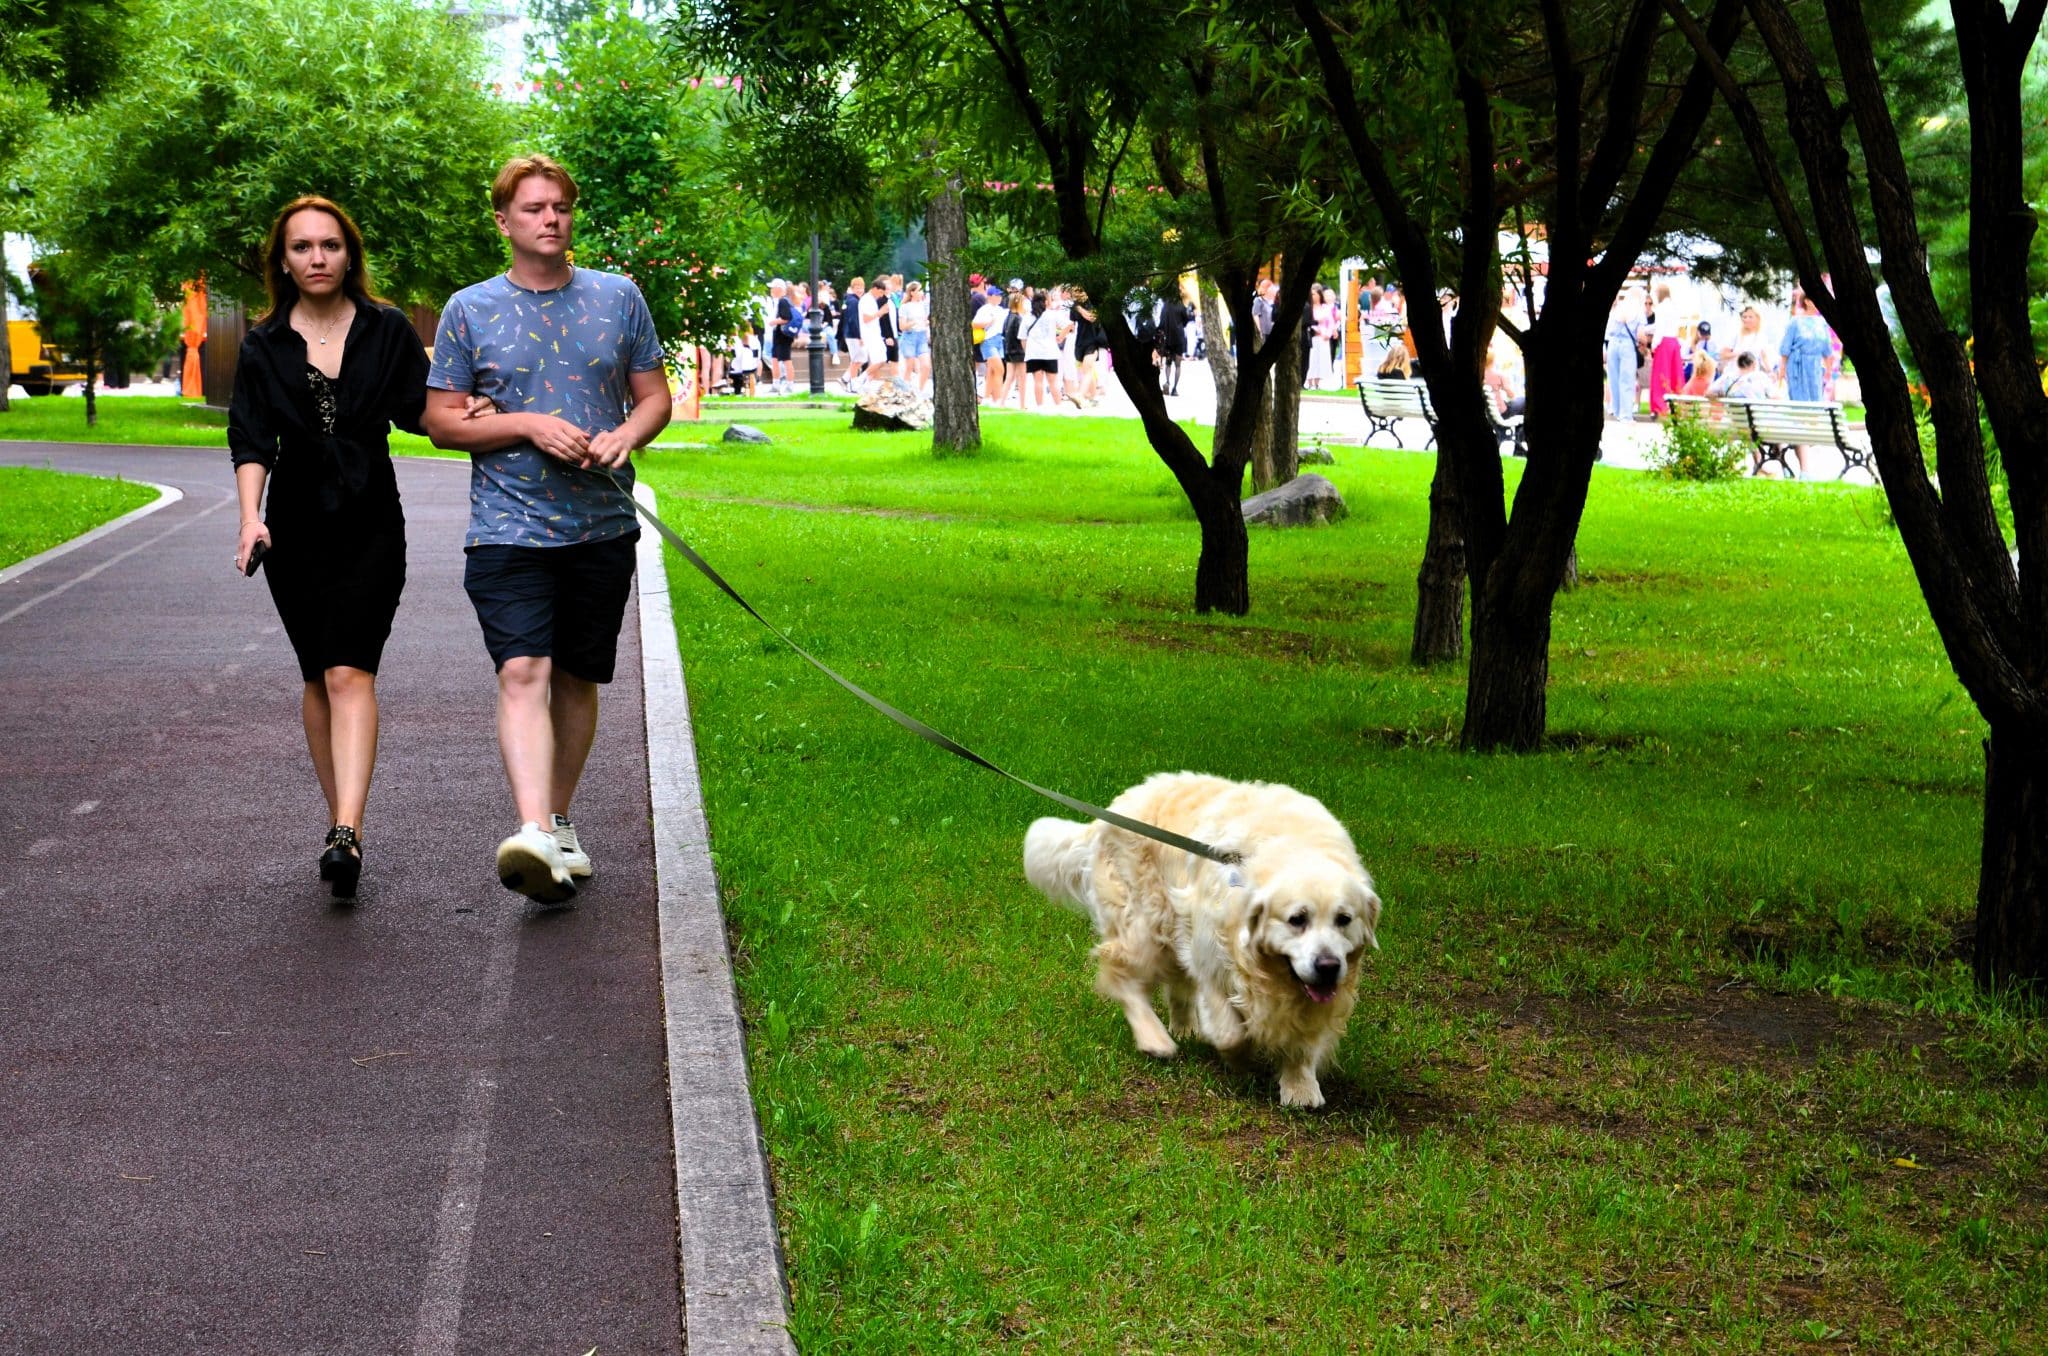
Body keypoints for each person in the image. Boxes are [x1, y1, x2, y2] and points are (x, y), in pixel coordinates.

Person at [420, 154, 673, 904]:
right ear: (504, 221)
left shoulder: (619, 298)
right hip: (507, 529)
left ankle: (559, 822)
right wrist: (527, 424)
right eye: (533, 209)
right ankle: (533, 830)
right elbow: (438, 421)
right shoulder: (470, 309)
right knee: (522, 670)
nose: (550, 219)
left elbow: (654, 396)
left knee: (576, 677)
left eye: (560, 207)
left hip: (600, 525)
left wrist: (629, 436)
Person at [228, 195, 429, 899]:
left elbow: (418, 410)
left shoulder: (388, 329)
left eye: (330, 246)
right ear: (281, 260)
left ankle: (347, 829)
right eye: (303, 247)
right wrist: (250, 518)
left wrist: (482, 409)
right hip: (297, 525)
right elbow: (252, 439)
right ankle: (339, 821)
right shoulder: (262, 344)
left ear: (351, 254)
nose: (317, 258)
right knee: (317, 675)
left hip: (372, 518)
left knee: (351, 672)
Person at [1604, 291, 1644, 419]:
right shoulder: (1639, 311)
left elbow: (1609, 330)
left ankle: (1616, 410)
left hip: (1613, 344)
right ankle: (1626, 415)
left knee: (1613, 379)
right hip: (1628, 345)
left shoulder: (1618, 309)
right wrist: (1644, 343)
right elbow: (1640, 335)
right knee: (1627, 380)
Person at [972, 285, 1008, 403]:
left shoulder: (1000, 310)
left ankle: (987, 397)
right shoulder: (985, 309)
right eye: (997, 295)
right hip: (988, 340)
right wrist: (988, 322)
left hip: (998, 340)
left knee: (992, 370)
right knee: (999, 369)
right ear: (991, 296)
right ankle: (998, 399)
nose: (999, 298)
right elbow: (974, 324)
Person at [896, 279, 931, 395]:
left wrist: (926, 324)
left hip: (921, 337)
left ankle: (920, 391)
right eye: (919, 290)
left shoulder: (924, 306)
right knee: (909, 366)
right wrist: (913, 322)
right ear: (912, 292)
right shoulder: (905, 307)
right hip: (909, 337)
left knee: (926, 366)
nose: (922, 293)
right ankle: (904, 391)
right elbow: (902, 326)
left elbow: (926, 320)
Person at [1155, 286, 1190, 396]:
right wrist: (1180, 325)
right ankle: (1175, 389)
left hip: (1168, 339)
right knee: (1178, 365)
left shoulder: (1165, 305)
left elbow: (1161, 322)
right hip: (1179, 338)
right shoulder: (1181, 305)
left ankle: (1167, 382)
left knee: (1168, 363)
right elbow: (1186, 320)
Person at [767, 279, 800, 393]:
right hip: (779, 333)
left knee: (786, 359)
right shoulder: (783, 301)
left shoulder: (783, 302)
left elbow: (786, 318)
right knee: (775, 358)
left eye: (773, 288)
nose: (771, 290)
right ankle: (776, 383)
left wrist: (773, 322)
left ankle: (790, 385)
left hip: (783, 334)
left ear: (778, 289)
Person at [838, 275, 866, 389]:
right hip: (853, 335)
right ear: (852, 288)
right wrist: (860, 336)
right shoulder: (854, 301)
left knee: (859, 359)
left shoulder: (850, 300)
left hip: (850, 334)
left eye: (861, 287)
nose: (860, 290)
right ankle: (852, 383)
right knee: (858, 359)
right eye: (857, 287)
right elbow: (854, 320)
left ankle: (846, 379)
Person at [1680, 320, 1717, 397]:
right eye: (1702, 334)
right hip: (1692, 367)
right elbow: (1682, 356)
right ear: (1697, 332)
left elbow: (1715, 357)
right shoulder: (1689, 341)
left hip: (1706, 367)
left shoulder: (1712, 342)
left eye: (1706, 335)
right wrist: (1693, 356)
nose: (1704, 336)